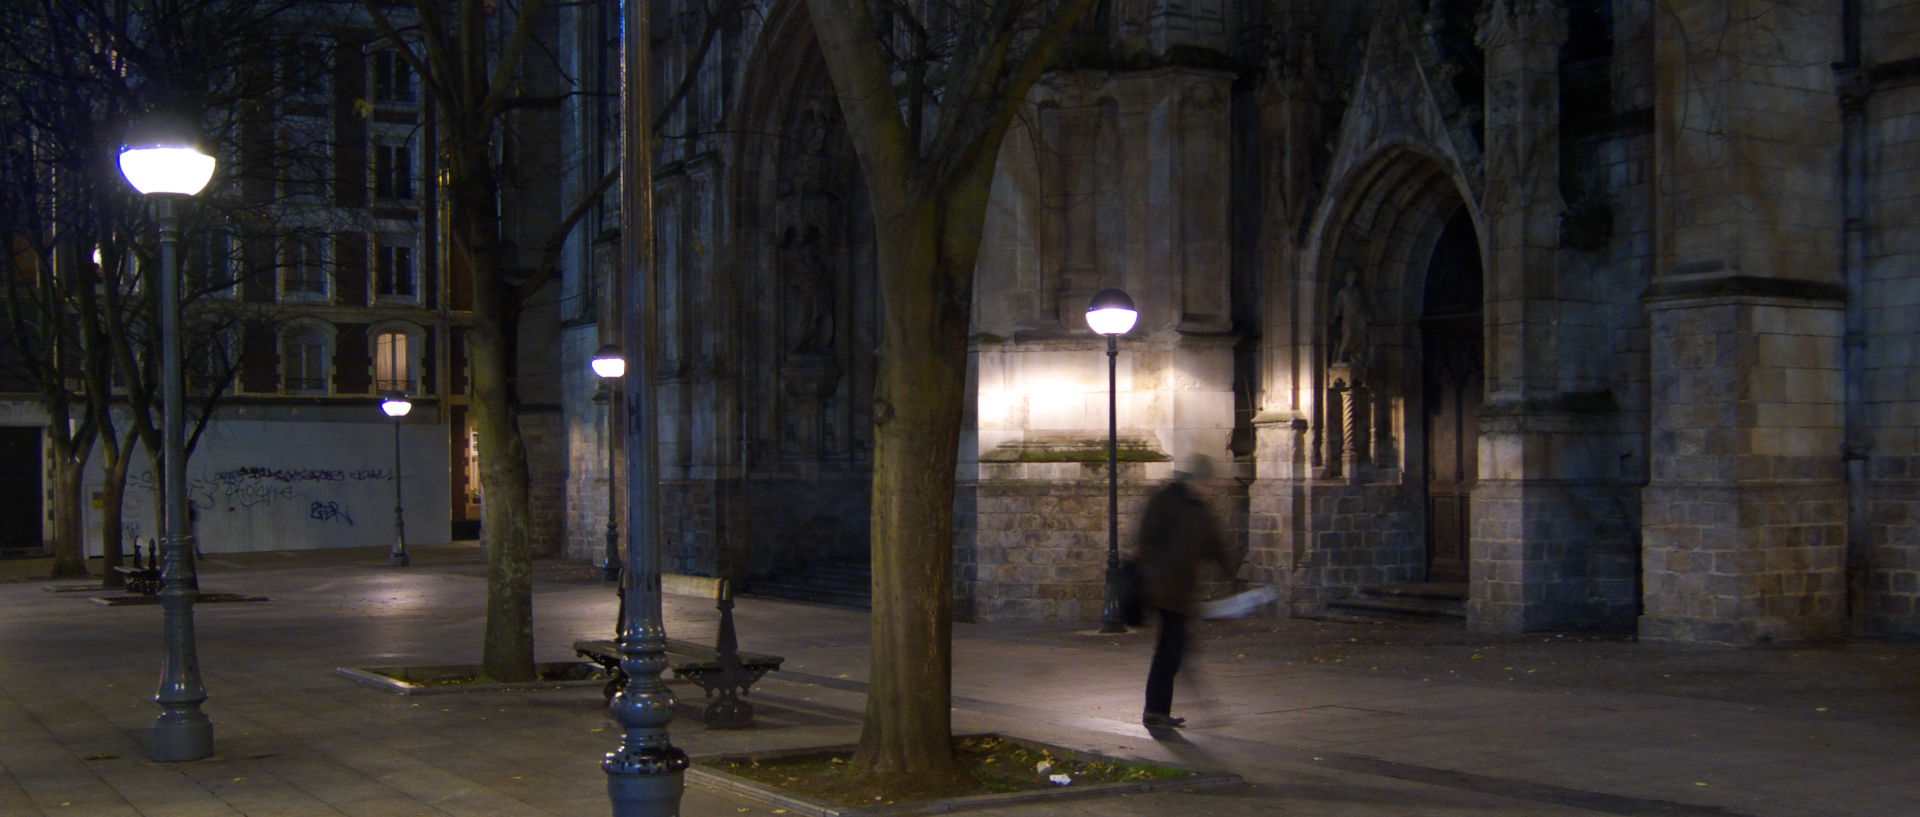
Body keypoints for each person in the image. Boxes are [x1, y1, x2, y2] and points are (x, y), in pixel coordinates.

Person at [1132, 454, 1236, 728]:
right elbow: (1146, 541)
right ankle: (1157, 710)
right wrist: (1153, 577)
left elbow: (1214, 544)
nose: (1211, 488)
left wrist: (1232, 575)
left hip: (1182, 592)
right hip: (1165, 591)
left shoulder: (1199, 508)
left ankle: (1158, 710)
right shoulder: (1166, 501)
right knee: (1171, 651)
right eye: (1208, 482)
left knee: (1174, 650)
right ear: (1195, 480)